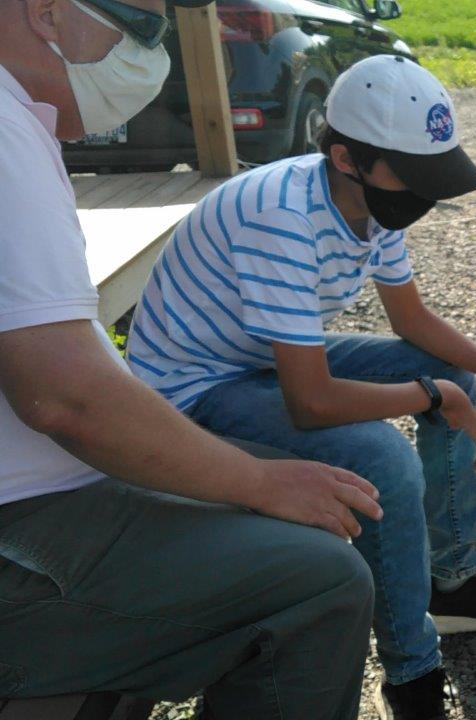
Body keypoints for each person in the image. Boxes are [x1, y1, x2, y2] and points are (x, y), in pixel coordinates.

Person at [125, 54, 476, 720]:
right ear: (346, 157)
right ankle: (411, 671)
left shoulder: (369, 205)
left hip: (259, 356)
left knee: (445, 374)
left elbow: (410, 319)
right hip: (194, 389)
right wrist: (439, 399)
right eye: (415, 174)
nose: (427, 193)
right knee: (383, 458)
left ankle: (453, 581)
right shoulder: (282, 216)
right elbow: (312, 401)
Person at [0, 0, 384, 718]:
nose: (156, 53)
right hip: (22, 528)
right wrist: (259, 482)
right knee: (322, 582)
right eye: (144, 26)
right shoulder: (3, 131)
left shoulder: (19, 121)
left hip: (39, 491)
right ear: (48, 13)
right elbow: (65, 399)